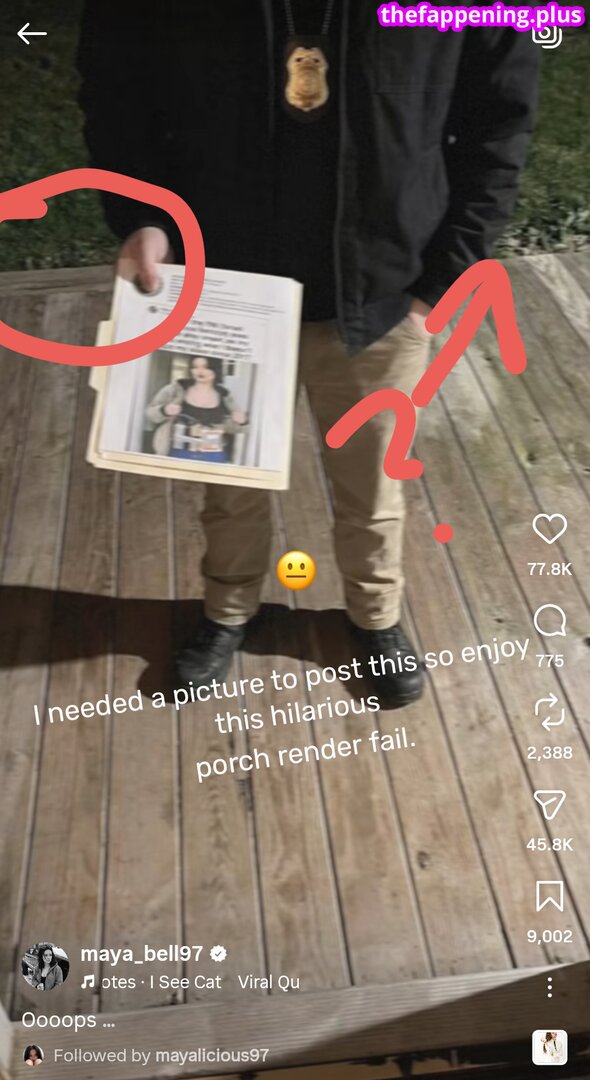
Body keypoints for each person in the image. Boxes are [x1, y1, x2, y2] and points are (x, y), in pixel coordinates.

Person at [78, 2, 539, 705]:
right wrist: (142, 217)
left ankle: (375, 615)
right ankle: (227, 609)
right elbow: (119, 96)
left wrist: (445, 278)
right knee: (226, 476)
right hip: (222, 287)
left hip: (386, 291)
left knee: (373, 483)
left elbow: (499, 122)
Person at [145, 355, 247, 463]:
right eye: (195, 367)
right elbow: (150, 413)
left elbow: (235, 428)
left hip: (214, 456)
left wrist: (242, 422)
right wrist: (164, 410)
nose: (199, 371)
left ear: (215, 369)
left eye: (205, 367)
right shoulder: (176, 389)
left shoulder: (225, 395)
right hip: (178, 452)